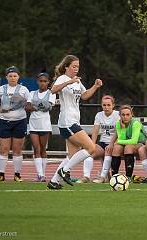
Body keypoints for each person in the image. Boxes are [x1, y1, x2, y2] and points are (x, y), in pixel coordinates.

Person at [47, 55, 102, 189]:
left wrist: (95, 86)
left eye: (78, 66)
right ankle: (64, 170)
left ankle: (54, 181)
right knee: (91, 148)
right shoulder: (63, 78)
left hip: (73, 121)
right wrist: (68, 82)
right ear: (66, 67)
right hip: (67, 121)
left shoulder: (77, 81)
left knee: (72, 157)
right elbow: (53, 89)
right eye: (74, 66)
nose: (76, 69)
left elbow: (84, 96)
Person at [0, 66, 30, 182]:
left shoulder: (24, 89)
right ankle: (1, 175)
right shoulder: (1, 89)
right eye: (10, 76)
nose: (12, 78)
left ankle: (17, 175)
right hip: (4, 121)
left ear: (18, 77)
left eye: (15, 76)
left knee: (17, 149)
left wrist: (25, 103)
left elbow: (29, 104)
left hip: (20, 121)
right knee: (4, 149)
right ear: (6, 77)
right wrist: (1, 110)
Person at [78, 95, 119, 183]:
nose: (106, 107)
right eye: (104, 105)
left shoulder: (117, 115)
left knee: (108, 153)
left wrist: (113, 144)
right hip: (102, 142)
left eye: (108, 105)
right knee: (89, 152)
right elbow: (95, 131)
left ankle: (103, 177)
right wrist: (92, 144)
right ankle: (86, 176)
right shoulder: (99, 115)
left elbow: (118, 132)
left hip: (114, 143)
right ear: (101, 105)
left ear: (113, 105)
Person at [26, 72, 56, 182]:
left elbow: (48, 106)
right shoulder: (32, 93)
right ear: (37, 82)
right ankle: (40, 174)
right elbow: (27, 106)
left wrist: (35, 106)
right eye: (40, 81)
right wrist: (39, 106)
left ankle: (43, 173)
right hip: (33, 124)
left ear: (48, 82)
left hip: (45, 125)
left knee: (43, 149)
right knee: (36, 149)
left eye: (45, 81)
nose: (42, 83)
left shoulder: (51, 93)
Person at [110, 105, 147, 180]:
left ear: (131, 115)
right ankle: (114, 177)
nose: (125, 117)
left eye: (127, 114)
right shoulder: (118, 123)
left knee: (128, 147)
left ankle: (128, 177)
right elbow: (122, 139)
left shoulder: (135, 123)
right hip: (127, 143)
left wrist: (118, 141)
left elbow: (134, 141)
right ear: (120, 115)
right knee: (116, 148)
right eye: (123, 115)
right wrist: (123, 128)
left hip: (141, 144)